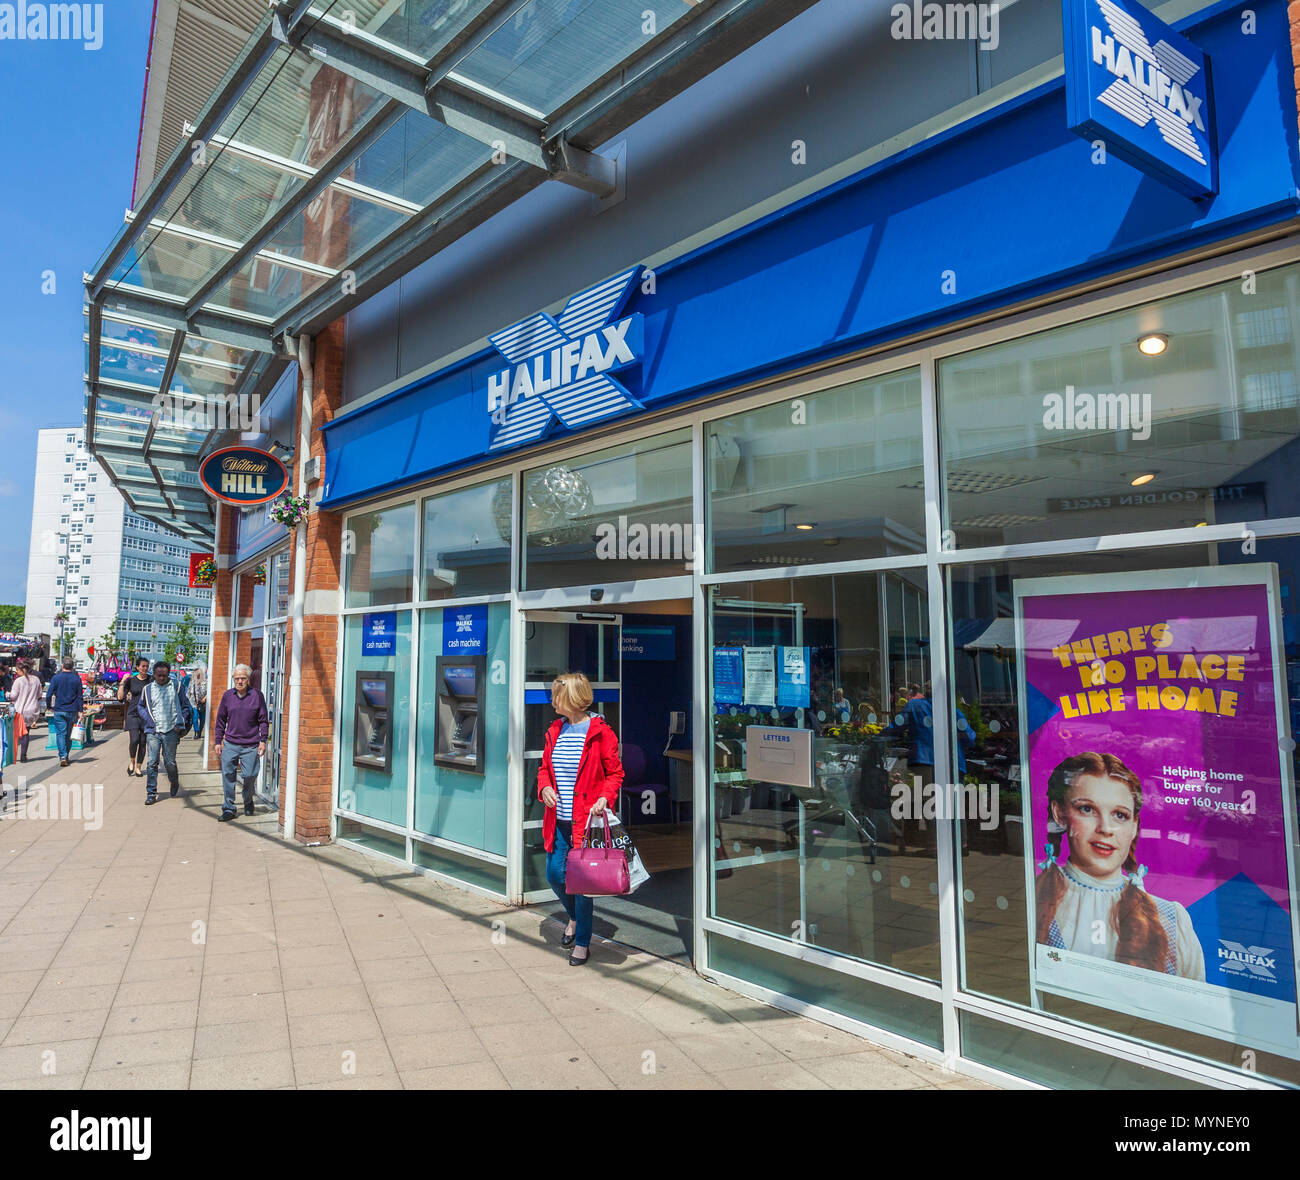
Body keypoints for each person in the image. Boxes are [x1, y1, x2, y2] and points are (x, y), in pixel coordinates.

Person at [1035, 752, 1204, 980]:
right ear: (1060, 813)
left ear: (1134, 826)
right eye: (1087, 809)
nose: (1106, 828)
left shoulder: (1172, 921)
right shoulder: (1031, 899)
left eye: (1120, 815)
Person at [537, 671, 626, 966]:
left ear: (572, 699)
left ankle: (583, 943)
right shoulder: (555, 730)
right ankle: (574, 918)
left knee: (582, 883)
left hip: (586, 823)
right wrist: (545, 787)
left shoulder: (601, 733)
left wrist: (605, 797)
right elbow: (544, 769)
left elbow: (615, 773)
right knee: (553, 874)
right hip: (558, 820)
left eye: (556, 697)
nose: (552, 702)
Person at [214, 664, 268, 822]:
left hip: (251, 744)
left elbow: (263, 720)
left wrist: (263, 740)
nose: (239, 681)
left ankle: (248, 799)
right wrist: (218, 741)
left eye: (243, 678)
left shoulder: (257, 696)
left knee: (250, 775)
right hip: (230, 743)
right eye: (236, 678)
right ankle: (229, 808)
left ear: (248, 679)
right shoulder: (228, 696)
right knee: (228, 775)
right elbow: (220, 720)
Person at [137, 660, 192, 805]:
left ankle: (174, 781)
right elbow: (141, 707)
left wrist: (180, 723)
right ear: (154, 674)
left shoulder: (176, 686)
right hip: (153, 731)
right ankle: (151, 792)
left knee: (169, 762)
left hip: (171, 731)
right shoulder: (147, 689)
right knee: (152, 763)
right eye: (159, 675)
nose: (161, 678)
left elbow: (186, 707)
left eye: (165, 675)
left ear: (169, 674)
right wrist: (149, 720)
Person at [44, 656, 84, 768]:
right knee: (69, 735)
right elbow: (80, 696)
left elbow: (48, 694)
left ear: (62, 666)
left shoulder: (56, 678)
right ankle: (66, 755)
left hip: (59, 709)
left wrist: (49, 706)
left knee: (61, 734)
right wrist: (80, 710)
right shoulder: (77, 679)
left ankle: (62, 756)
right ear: (72, 667)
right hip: (72, 710)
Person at [117, 657, 151, 777]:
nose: (145, 668)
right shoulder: (131, 681)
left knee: (143, 742)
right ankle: (132, 761)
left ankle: (138, 767)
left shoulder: (151, 680)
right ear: (137, 667)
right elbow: (120, 697)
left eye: (147, 666)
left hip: (146, 715)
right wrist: (122, 681)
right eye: (143, 666)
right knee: (134, 739)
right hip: (133, 713)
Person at [9, 660, 41, 763]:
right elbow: (39, 695)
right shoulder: (36, 680)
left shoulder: (18, 681)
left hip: (20, 710)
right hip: (32, 710)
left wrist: (7, 695)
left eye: (17, 670)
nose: (16, 672)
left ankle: (15, 756)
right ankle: (24, 755)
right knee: (26, 733)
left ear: (21, 670)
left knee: (18, 734)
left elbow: (13, 696)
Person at [189, 664, 208, 742]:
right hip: (194, 703)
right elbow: (188, 693)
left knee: (203, 720)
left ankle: (200, 731)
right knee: (195, 717)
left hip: (203, 703)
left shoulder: (206, 682)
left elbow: (209, 692)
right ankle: (196, 732)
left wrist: (205, 698)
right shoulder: (192, 683)